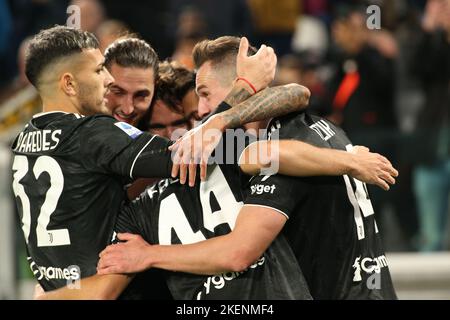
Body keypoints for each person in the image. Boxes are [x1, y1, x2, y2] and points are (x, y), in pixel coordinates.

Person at [38, 36, 397, 300]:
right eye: (155, 131)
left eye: (181, 123)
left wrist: (346, 161)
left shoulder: (221, 150)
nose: (128, 108)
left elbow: (239, 247)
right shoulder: (111, 171)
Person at [11, 26, 297, 292]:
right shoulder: (94, 134)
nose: (108, 81)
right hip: (105, 284)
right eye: (99, 71)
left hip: (60, 287)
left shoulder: (24, 140)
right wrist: (242, 90)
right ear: (69, 84)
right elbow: (186, 154)